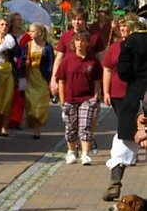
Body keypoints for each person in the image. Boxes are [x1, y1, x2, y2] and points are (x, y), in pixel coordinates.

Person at [101, 14, 142, 200]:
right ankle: (114, 183)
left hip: (137, 95)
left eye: (127, 25)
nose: (124, 28)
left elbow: (125, 72)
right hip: (124, 97)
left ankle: (115, 183)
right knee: (126, 134)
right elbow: (108, 68)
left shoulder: (133, 45)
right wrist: (106, 91)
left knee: (126, 135)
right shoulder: (118, 46)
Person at [56, 31, 101, 165]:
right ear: (73, 43)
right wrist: (62, 101)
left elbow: (97, 81)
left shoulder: (93, 62)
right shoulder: (67, 61)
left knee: (85, 126)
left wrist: (95, 97)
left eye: (82, 41)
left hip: (87, 99)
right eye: (77, 40)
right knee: (71, 128)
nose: (80, 43)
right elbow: (61, 81)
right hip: (70, 99)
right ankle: (71, 152)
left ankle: (85, 154)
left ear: (87, 43)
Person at [50, 8, 105, 95]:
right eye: (74, 19)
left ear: (85, 20)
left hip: (89, 81)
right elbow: (59, 58)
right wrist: (53, 79)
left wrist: (103, 83)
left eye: (79, 19)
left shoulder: (95, 37)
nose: (76, 22)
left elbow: (102, 60)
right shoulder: (66, 37)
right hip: (70, 81)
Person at [19, 23, 54, 139]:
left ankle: (37, 130)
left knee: (40, 105)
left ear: (39, 32)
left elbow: (51, 64)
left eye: (33, 31)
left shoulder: (48, 47)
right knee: (30, 104)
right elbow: (22, 61)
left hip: (42, 79)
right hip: (30, 77)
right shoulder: (27, 45)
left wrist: (52, 80)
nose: (30, 33)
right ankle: (32, 122)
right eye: (29, 31)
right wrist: (21, 75)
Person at [7, 13, 30, 131]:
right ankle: (9, 119)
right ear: (12, 22)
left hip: (23, 69)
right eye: (17, 20)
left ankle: (17, 119)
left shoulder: (26, 36)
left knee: (20, 94)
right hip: (10, 68)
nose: (19, 22)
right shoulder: (8, 36)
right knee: (10, 94)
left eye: (20, 19)